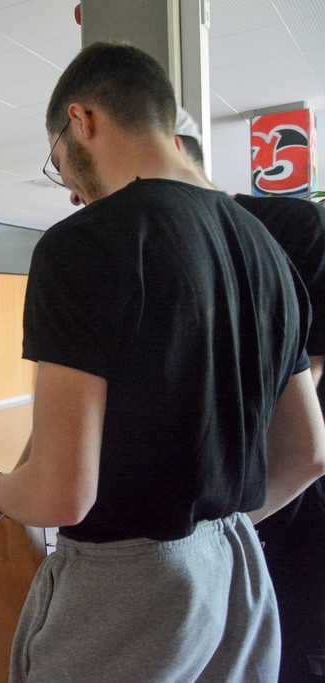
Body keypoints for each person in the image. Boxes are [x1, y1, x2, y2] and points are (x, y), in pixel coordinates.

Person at [0, 42, 325, 681]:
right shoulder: (268, 250)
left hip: (128, 588)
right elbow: (307, 452)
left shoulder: (84, 243)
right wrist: (206, 529)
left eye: (57, 162)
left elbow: (62, 492)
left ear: (82, 120)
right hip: (239, 576)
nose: (70, 190)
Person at [176, 107, 325, 682]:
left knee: (291, 654)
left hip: (292, 511)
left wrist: (218, 525)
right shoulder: (155, 251)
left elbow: (308, 390)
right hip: (205, 518)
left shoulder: (293, 227)